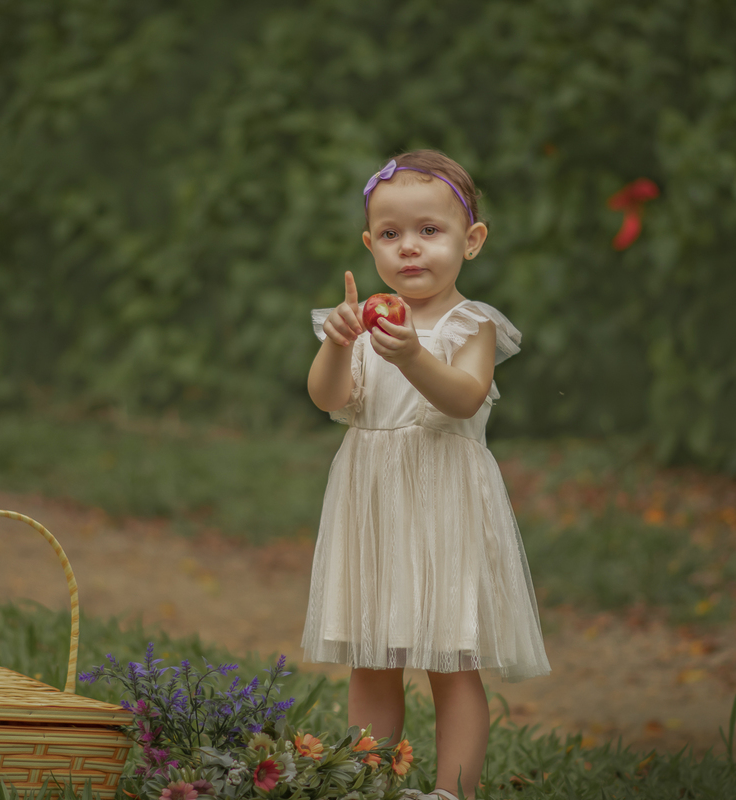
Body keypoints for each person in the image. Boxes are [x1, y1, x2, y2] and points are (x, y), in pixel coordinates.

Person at [302, 150, 551, 799]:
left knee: (452, 661)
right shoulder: (362, 321)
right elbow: (329, 399)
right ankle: (369, 781)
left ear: (471, 241)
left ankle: (451, 792)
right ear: (369, 244)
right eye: (390, 234)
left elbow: (463, 397)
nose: (409, 248)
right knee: (373, 658)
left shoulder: (473, 325)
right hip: (374, 504)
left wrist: (411, 353)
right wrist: (336, 342)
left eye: (429, 231)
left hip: (445, 507)